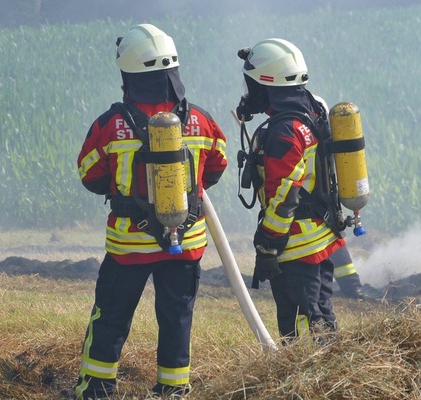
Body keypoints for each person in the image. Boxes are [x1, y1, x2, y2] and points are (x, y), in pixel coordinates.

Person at [73, 23, 227, 399]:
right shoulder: (201, 119)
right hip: (186, 243)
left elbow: (89, 173)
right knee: (176, 320)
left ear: (128, 72)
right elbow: (218, 165)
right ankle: (173, 390)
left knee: (110, 317)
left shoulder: (110, 125)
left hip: (130, 246)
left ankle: (96, 389)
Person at [234, 38, 345, 344]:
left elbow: (284, 196)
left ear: (266, 84)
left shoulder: (284, 131)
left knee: (301, 330)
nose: (249, 93)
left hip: (296, 246)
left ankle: (309, 386)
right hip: (320, 235)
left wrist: (268, 243)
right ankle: (331, 380)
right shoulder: (312, 111)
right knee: (321, 318)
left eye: (252, 84)